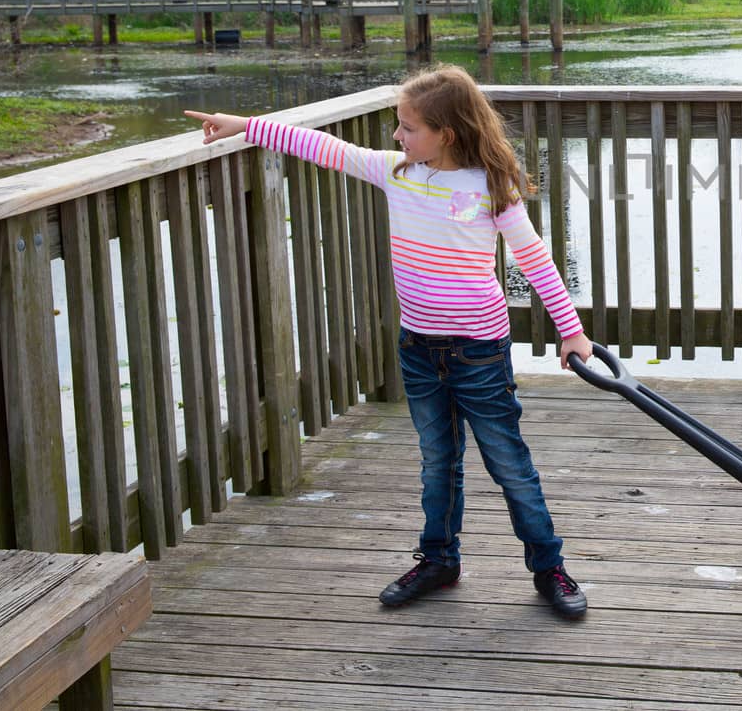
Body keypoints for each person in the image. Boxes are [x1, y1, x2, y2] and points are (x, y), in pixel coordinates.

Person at [187, 64, 593, 619]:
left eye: (408, 127)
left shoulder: (491, 188)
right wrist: (244, 125)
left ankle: (549, 567)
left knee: (509, 464)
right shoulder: (396, 172)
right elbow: (318, 146)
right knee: (436, 463)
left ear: (445, 133)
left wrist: (570, 331)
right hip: (419, 348)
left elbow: (534, 258)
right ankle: (439, 560)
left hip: (478, 351)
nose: (397, 137)